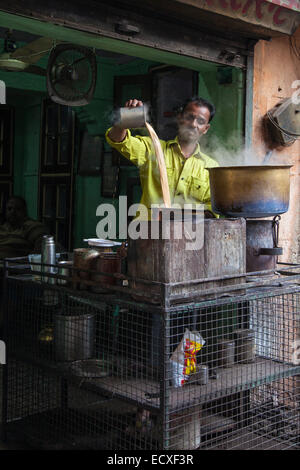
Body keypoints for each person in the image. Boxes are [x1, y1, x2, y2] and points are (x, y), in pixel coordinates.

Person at [105, 96, 219, 219]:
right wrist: (126, 119)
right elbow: (118, 139)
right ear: (180, 117)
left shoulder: (211, 167)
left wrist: (175, 217)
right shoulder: (153, 149)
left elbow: (212, 211)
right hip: (147, 233)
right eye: (189, 117)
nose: (193, 124)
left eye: (201, 121)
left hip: (190, 234)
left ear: (206, 128)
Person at [0, 196, 49, 260]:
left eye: (18, 209)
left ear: (24, 211)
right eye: (9, 209)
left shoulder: (32, 226)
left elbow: (44, 246)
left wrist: (28, 262)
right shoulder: (3, 228)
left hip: (15, 266)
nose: (12, 212)